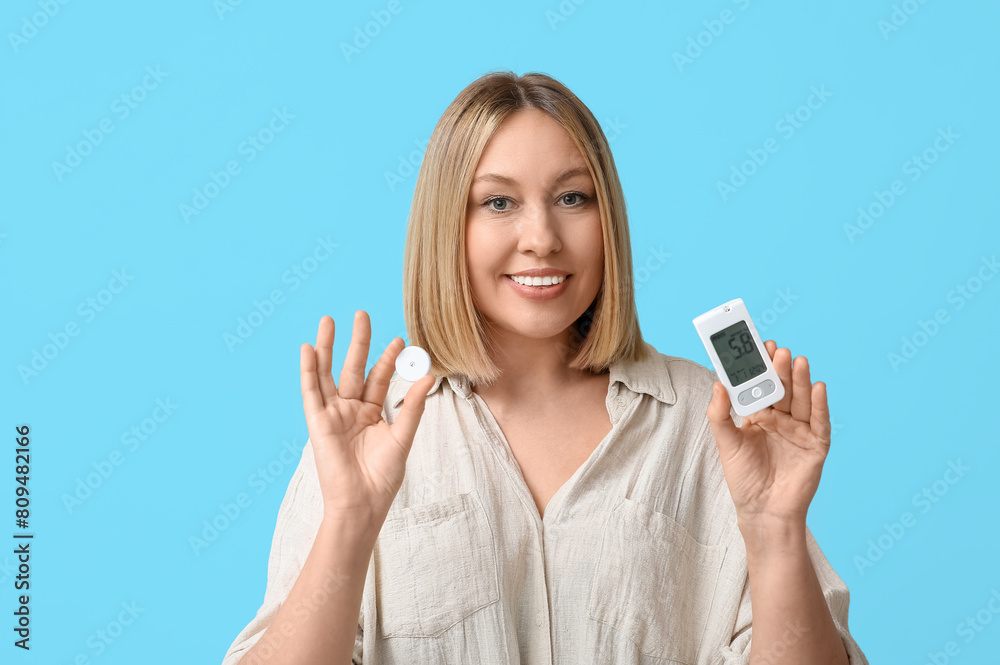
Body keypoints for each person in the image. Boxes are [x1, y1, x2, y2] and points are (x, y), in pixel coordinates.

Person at [221, 70, 869, 664]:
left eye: (573, 197)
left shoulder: (714, 422)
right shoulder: (373, 433)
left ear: (606, 216)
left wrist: (776, 526)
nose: (542, 238)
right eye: (498, 202)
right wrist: (349, 522)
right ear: (448, 223)